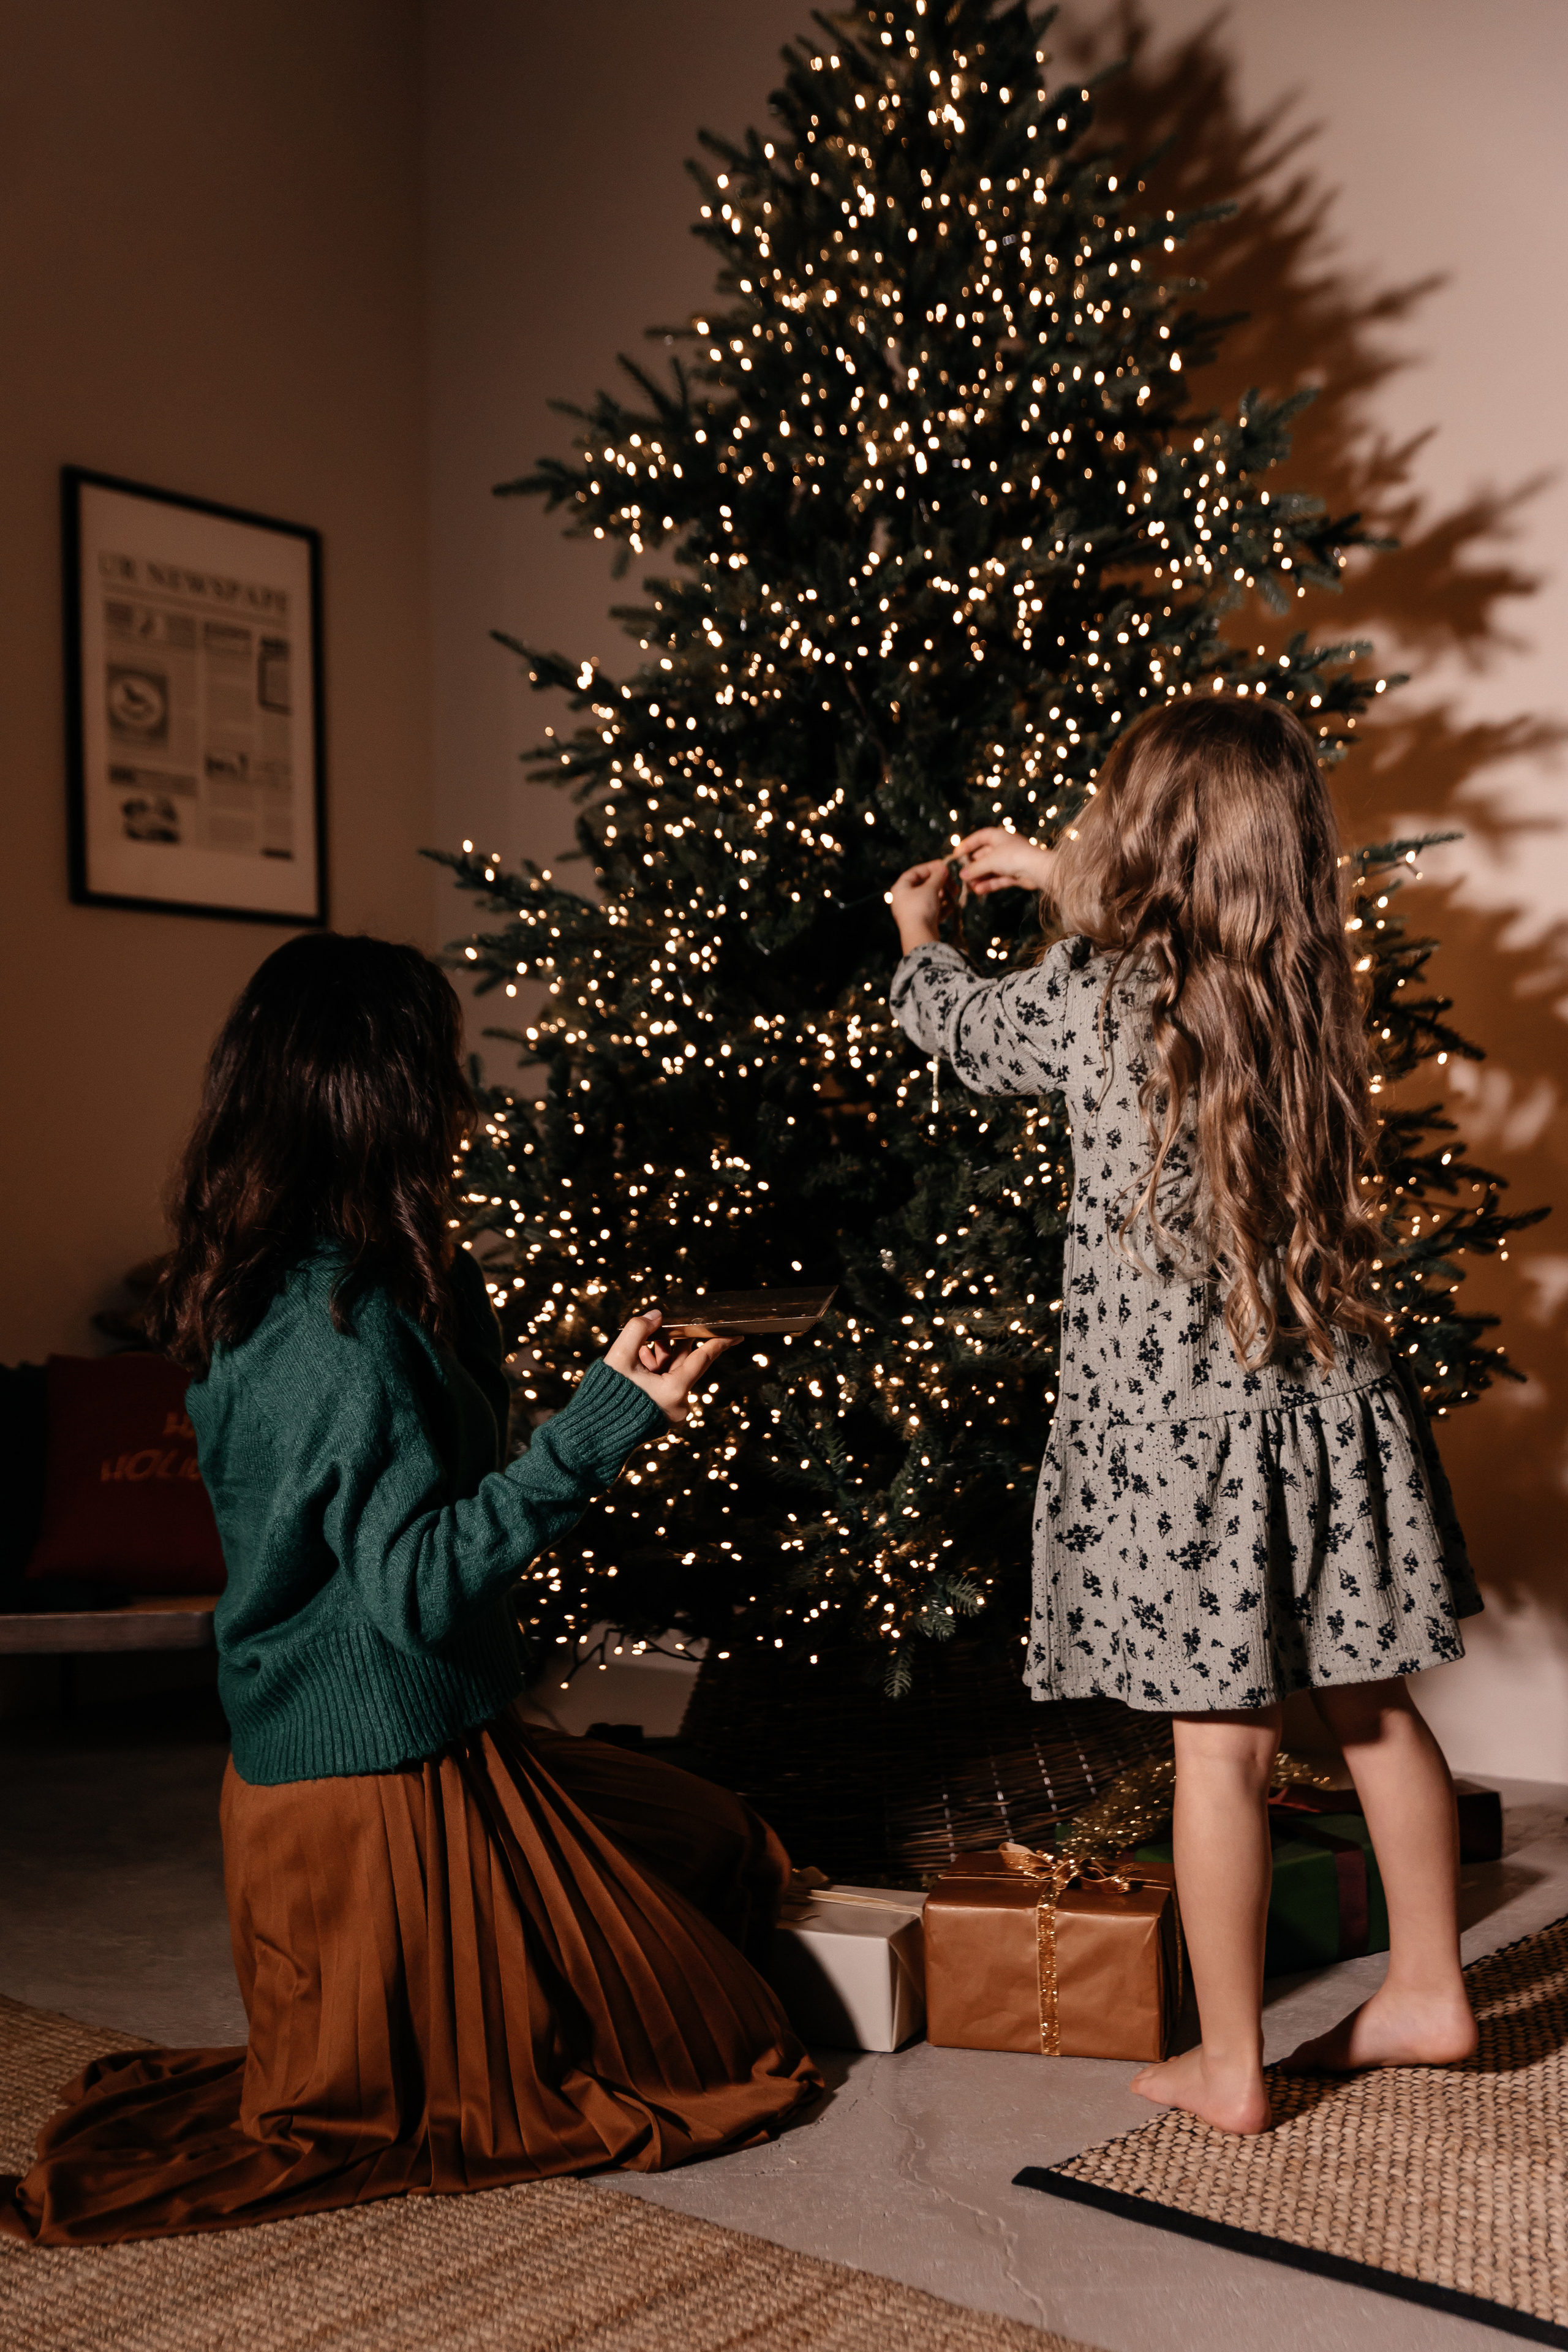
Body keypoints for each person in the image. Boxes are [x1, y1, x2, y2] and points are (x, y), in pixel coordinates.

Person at [1, 933, 818, 2245]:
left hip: (398, 1742)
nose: (461, 1097)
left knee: (713, 1842)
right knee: (722, 2059)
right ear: (381, 1097)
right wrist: (607, 1422)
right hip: (374, 1787)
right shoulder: (342, 1333)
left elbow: (405, 1484)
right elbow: (418, 1587)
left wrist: (472, 1305)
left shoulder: (293, 1278)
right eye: (437, 1068)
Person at [886, 697, 1481, 2136]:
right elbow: (1161, 899)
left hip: (1176, 1435)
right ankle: (1424, 1986)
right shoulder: (1298, 983)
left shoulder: (1092, 990)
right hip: (1327, 1401)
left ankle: (1228, 2066)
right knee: (1371, 1710)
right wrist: (1046, 864)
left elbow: (971, 1034)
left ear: (1140, 842)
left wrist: (919, 939)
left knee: (1215, 1750)